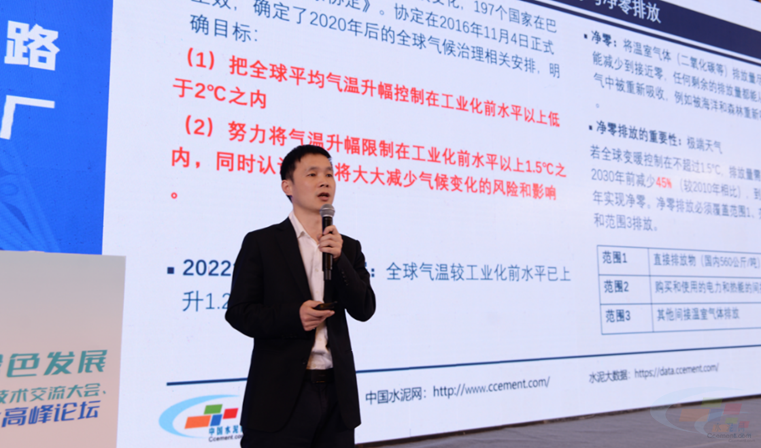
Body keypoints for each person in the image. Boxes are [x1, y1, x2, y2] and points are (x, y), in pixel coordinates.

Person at [225, 145, 376, 448]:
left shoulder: (348, 247)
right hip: (279, 397)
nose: (325, 182)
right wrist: (294, 317)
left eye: (329, 174)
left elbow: (364, 309)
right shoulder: (262, 242)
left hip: (337, 397)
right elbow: (239, 312)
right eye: (312, 174)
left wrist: (341, 260)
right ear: (288, 187)